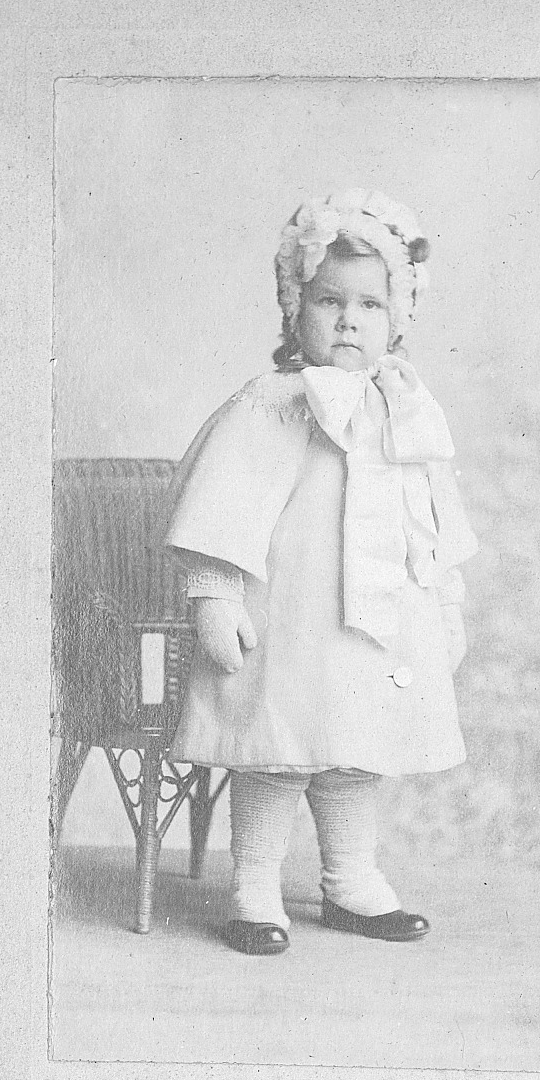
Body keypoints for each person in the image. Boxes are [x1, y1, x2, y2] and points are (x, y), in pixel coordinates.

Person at [166, 189, 478, 955]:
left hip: (377, 621)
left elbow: (430, 515)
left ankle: (350, 879)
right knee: (277, 749)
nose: (348, 320)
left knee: (355, 751)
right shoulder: (273, 404)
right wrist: (214, 592)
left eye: (370, 304)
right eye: (329, 300)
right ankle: (255, 886)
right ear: (293, 307)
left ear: (397, 317)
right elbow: (221, 504)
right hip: (288, 618)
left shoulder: (406, 411)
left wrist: (444, 599)